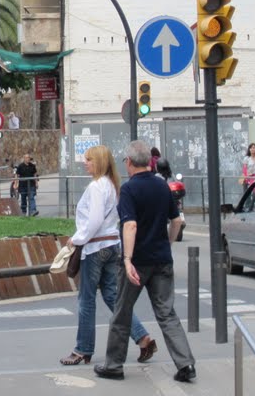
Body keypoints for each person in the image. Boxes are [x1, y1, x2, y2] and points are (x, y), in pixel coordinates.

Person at [94, 140, 195, 384]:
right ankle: (186, 364)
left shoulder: (129, 189)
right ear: (149, 161)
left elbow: (130, 225)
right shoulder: (162, 186)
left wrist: (127, 259)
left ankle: (114, 365)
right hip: (161, 259)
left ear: (128, 162)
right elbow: (177, 221)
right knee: (167, 313)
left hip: (137, 261)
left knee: (122, 312)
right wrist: (167, 244)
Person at [60, 145, 156, 366]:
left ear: (100, 162)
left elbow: (93, 221)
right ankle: (142, 337)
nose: (86, 163)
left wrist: (77, 238)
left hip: (95, 248)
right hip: (112, 245)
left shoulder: (96, 187)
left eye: (90, 160)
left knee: (86, 299)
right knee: (113, 297)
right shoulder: (112, 185)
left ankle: (82, 349)